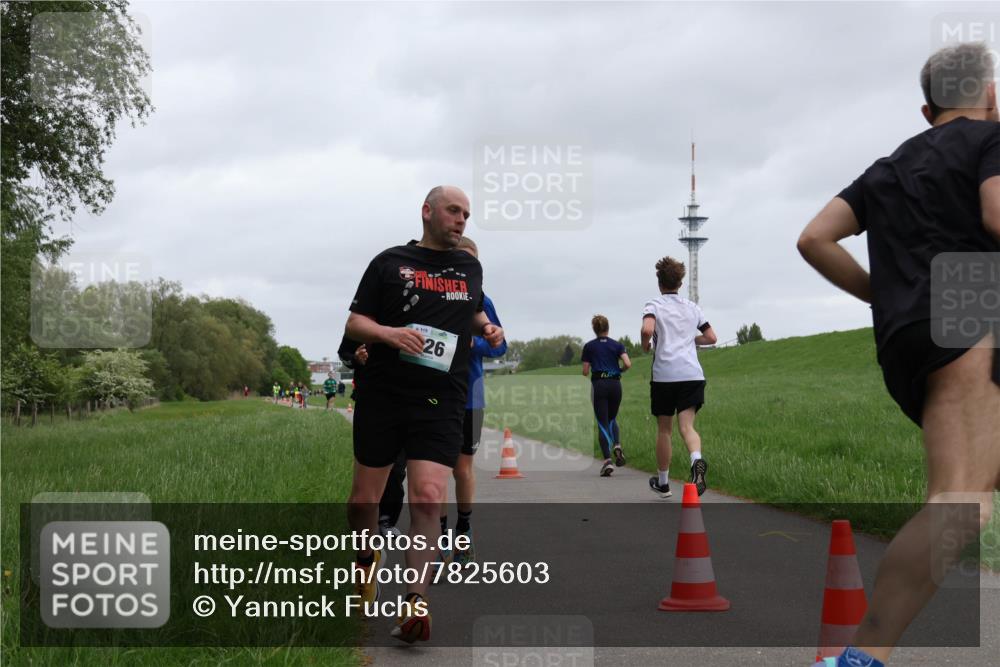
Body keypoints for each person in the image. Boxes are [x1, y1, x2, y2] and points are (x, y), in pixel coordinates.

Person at [797, 42, 1000, 667]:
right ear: (990, 96)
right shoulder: (992, 138)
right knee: (961, 502)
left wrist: (881, 295)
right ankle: (863, 657)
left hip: (906, 337)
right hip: (971, 307)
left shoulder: (887, 167)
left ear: (925, 107)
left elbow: (815, 238)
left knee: (971, 491)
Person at [345, 185, 503, 644]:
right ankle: (364, 560)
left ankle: (415, 601)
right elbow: (355, 323)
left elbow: (470, 312)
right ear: (427, 212)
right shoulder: (388, 263)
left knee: (430, 496)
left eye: (467, 215)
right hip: (385, 394)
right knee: (362, 501)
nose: (462, 220)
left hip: (442, 396)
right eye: (454, 211)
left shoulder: (469, 267)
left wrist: (486, 326)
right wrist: (391, 335)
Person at [439, 236, 507, 566]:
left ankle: (463, 533)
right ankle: (438, 538)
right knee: (435, 468)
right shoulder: (433, 296)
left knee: (462, 468)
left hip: (470, 396)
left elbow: (499, 347)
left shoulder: (483, 301)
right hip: (434, 394)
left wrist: (473, 345)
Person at [640, 256, 717, 498]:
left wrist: (645, 345)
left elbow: (647, 329)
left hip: (665, 375)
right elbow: (712, 337)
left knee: (665, 430)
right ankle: (696, 462)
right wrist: (690, 339)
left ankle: (663, 483)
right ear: (680, 283)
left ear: (659, 282)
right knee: (687, 427)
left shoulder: (653, 304)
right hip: (692, 374)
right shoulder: (693, 307)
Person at [581, 314, 631, 477]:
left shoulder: (589, 346)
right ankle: (617, 444)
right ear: (608, 328)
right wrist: (619, 370)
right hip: (615, 385)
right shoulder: (617, 345)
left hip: (599, 385)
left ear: (594, 330)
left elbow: (585, 371)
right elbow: (628, 363)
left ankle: (608, 461)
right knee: (612, 418)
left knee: (602, 423)